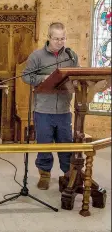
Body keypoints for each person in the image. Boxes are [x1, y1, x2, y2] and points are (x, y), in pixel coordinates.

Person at [22, 22, 79, 190]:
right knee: (44, 143)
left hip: (63, 108)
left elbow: (77, 74)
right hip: (43, 109)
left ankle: (67, 175)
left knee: (65, 143)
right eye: (56, 39)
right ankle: (44, 175)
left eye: (63, 39)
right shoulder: (37, 56)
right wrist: (45, 78)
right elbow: (26, 77)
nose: (60, 42)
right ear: (49, 37)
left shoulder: (71, 55)